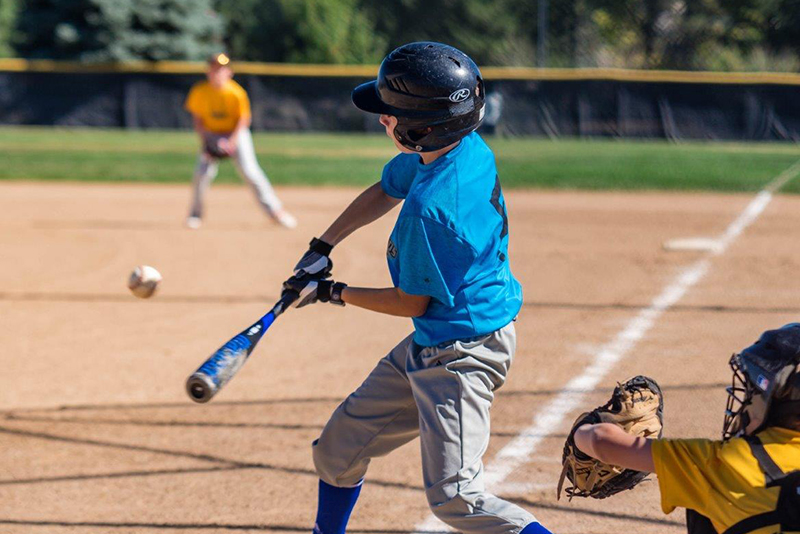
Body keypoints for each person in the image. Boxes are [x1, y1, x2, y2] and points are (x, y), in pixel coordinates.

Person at [280, 42, 553, 534]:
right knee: (338, 453)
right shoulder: (456, 147)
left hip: (463, 352)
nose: (382, 120)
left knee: (456, 499)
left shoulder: (434, 210)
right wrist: (324, 243)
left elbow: (412, 301)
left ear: (419, 128)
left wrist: (330, 292)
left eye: (390, 115)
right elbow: (386, 188)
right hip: (434, 340)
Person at [573, 323, 800, 534]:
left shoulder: (727, 461)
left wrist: (581, 431)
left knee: (703, 510)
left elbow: (599, 441)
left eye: (752, 391)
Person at [184, 53, 296, 229]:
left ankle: (276, 212)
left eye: (222, 69)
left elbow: (243, 120)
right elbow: (198, 121)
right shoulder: (200, 91)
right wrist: (207, 142)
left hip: (236, 133)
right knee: (202, 173)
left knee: (250, 171)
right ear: (208, 71)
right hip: (211, 133)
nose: (217, 72)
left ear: (229, 72)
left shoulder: (236, 93)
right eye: (214, 69)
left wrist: (231, 141)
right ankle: (195, 214)